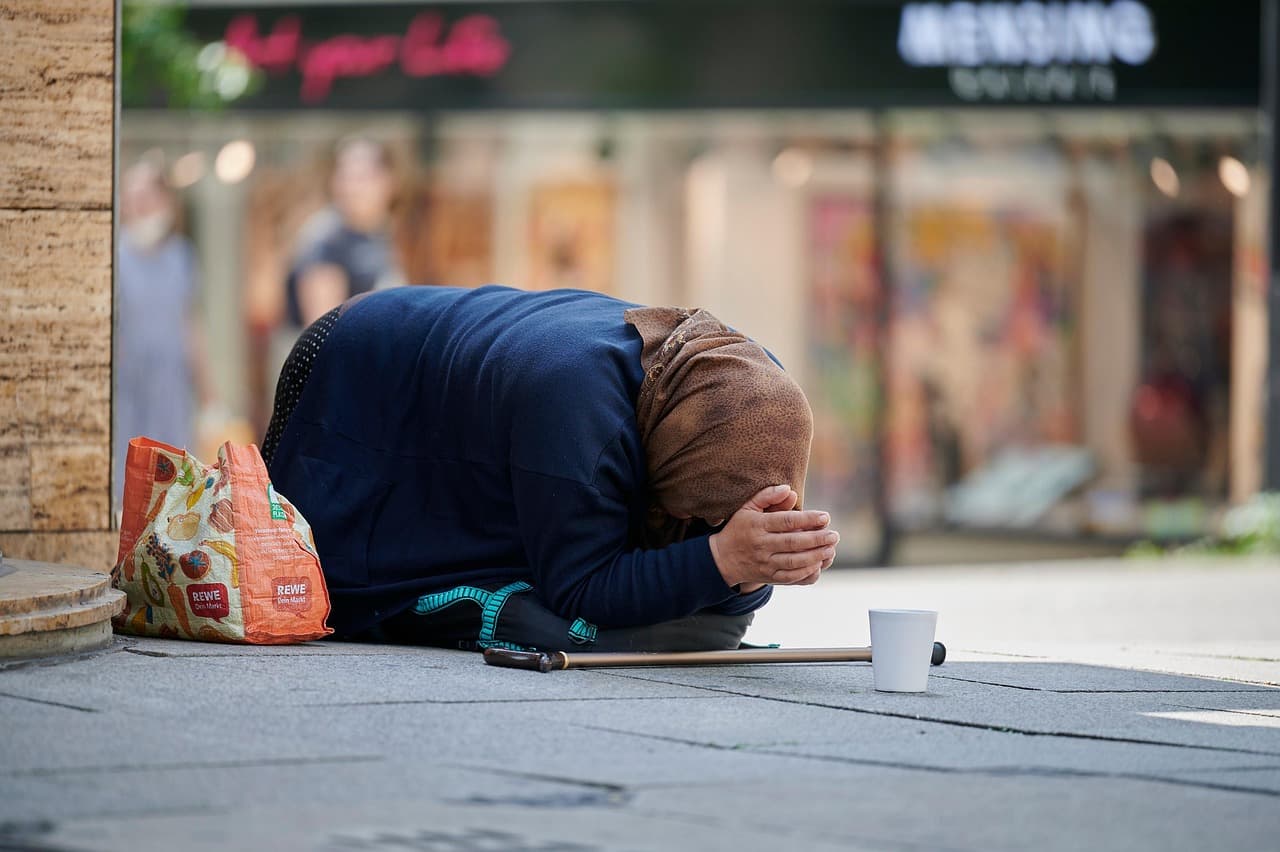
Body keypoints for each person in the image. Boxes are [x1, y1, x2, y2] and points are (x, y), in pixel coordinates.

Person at [262, 286, 837, 652]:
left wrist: (759, 566)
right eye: (697, 518)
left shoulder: (743, 385)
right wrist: (724, 560)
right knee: (305, 564)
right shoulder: (581, 411)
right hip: (354, 367)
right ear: (682, 470)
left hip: (451, 376)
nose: (695, 528)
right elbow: (581, 585)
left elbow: (705, 561)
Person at [113, 161, 214, 513]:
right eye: (133, 197)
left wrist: (208, 392)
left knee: (173, 481)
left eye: (147, 197)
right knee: (128, 480)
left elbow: (190, 323)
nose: (140, 206)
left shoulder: (181, 257)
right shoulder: (115, 257)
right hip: (128, 386)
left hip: (172, 386)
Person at [285, 137, 404, 330]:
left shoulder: (383, 234)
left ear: (390, 181)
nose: (352, 188)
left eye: (363, 178)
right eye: (345, 177)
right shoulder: (326, 238)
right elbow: (323, 329)